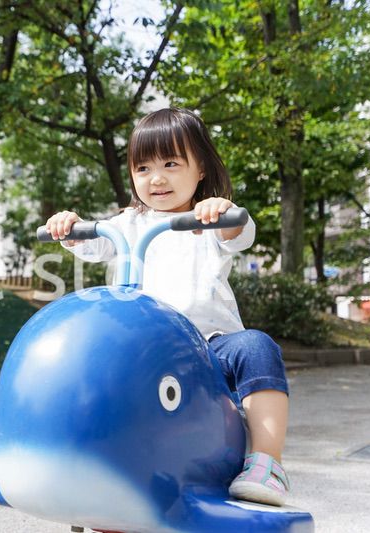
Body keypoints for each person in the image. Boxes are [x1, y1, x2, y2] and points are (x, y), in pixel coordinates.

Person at [45, 107, 290, 507]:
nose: (156, 178)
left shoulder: (207, 217)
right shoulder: (127, 222)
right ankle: (70, 454)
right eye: (142, 168)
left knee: (256, 347)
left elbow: (239, 232)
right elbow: (93, 243)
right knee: (88, 360)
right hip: (143, 348)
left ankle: (267, 462)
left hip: (207, 346)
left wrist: (221, 213)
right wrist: (69, 227)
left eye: (171, 164)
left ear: (201, 171)